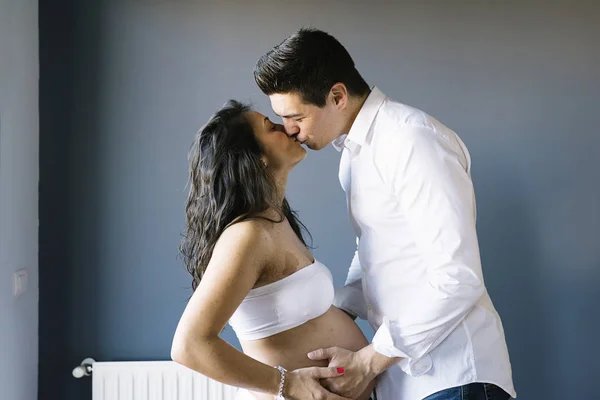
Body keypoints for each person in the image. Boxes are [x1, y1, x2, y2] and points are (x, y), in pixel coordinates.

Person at [253, 28, 516, 400]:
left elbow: (459, 277)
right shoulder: (353, 156)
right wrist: (329, 314)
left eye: (296, 116)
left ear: (337, 96)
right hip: (405, 383)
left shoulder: (413, 139)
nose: (290, 131)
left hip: (454, 377)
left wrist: (368, 361)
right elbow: (379, 257)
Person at [170, 100, 376, 400]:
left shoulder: (275, 220)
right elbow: (189, 345)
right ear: (256, 158)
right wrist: (288, 384)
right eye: (271, 127)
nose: (288, 127)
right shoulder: (247, 235)